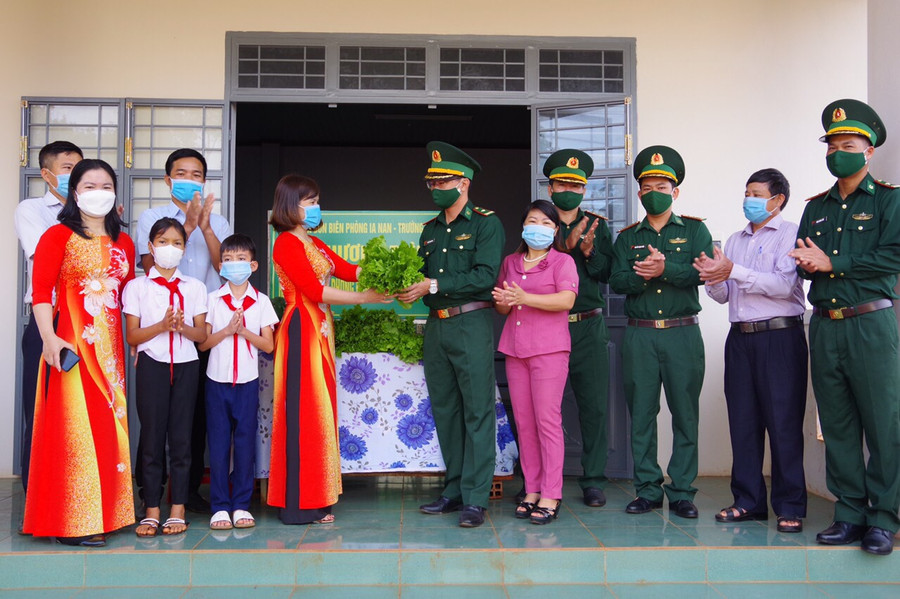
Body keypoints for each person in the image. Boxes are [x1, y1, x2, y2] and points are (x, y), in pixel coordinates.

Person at [788, 99, 900, 556]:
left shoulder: (890, 200)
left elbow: (893, 256)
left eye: (848, 144)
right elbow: (804, 258)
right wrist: (810, 263)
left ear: (868, 151)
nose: (838, 151)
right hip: (826, 325)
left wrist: (833, 262)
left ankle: (884, 517)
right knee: (836, 424)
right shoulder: (817, 207)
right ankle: (850, 512)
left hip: (871, 322)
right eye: (832, 145)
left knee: (882, 422)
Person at [22, 158, 135, 546]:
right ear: (74, 192)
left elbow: (130, 297)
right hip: (71, 343)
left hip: (112, 353)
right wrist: (49, 340)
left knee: (108, 427)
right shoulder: (56, 236)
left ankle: (108, 512)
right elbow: (40, 294)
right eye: (89, 185)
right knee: (73, 428)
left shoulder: (125, 242)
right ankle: (73, 520)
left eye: (106, 185)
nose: (99, 192)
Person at [267, 174, 390, 525]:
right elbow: (314, 291)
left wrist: (389, 275)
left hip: (320, 329)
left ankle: (317, 495)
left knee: (320, 412)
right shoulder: (287, 244)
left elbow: (351, 271)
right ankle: (298, 502)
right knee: (304, 412)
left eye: (317, 199)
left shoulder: (314, 244)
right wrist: (364, 299)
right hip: (301, 328)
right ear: (290, 205)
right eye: (309, 200)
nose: (315, 206)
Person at [694, 168, 808, 533]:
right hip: (740, 338)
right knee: (742, 422)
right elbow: (726, 293)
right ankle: (748, 501)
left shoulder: (791, 234)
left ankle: (790, 505)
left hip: (780, 337)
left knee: (783, 423)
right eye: (747, 192)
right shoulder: (734, 239)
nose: (749, 200)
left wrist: (733, 271)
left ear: (778, 200)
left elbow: (782, 286)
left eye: (757, 193)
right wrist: (712, 277)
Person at [398, 141, 505, 528]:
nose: (436, 187)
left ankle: (476, 498)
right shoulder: (429, 230)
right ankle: (454, 488)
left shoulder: (485, 223)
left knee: (477, 411)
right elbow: (423, 279)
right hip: (437, 326)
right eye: (432, 182)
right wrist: (411, 286)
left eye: (443, 180)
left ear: (464, 183)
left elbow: (484, 277)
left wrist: (432, 285)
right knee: (445, 410)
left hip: (471, 322)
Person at [609, 145, 712, 519]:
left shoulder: (696, 230)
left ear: (675, 191)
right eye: (648, 186)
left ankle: (682, 490)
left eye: (662, 185)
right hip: (640, 335)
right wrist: (643, 273)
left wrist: (664, 268)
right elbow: (617, 279)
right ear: (639, 193)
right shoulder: (626, 238)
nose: (655, 191)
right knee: (642, 414)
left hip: (682, 334)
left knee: (685, 414)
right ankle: (648, 489)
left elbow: (701, 273)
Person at [136, 148, 232, 514]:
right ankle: (151, 494)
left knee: (194, 416)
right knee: (156, 417)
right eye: (181, 173)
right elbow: (148, 265)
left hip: (200, 328)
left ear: (204, 182)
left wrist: (204, 227)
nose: (189, 179)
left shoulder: (218, 222)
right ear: (167, 179)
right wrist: (186, 228)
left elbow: (225, 268)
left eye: (196, 174)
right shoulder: (151, 217)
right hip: (158, 331)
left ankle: (186, 491)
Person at [493, 200, 577, 524]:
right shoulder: (511, 262)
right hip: (516, 350)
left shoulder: (562, 262)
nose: (537, 227)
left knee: (547, 422)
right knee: (525, 424)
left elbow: (566, 300)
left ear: (555, 230)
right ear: (523, 226)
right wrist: (503, 301)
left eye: (545, 222)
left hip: (549, 351)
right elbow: (504, 306)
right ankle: (532, 489)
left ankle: (551, 493)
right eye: (532, 220)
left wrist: (525, 298)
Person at [124, 217, 208, 536]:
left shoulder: (195, 287)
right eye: (162, 242)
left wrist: (181, 327)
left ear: (184, 249)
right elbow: (132, 337)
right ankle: (151, 508)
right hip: (152, 364)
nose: (169, 248)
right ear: (150, 247)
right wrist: (160, 326)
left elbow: (201, 335)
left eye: (176, 243)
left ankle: (178, 508)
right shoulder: (137, 287)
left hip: (186, 364)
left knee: (182, 438)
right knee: (152, 438)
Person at [542, 149, 615, 507]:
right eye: (561, 183)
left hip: (588, 326)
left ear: (584, 190)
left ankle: (593, 480)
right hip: (548, 325)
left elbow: (608, 274)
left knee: (594, 405)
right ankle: (541, 479)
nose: (567, 189)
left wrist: (589, 253)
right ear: (551, 187)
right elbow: (530, 264)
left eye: (575, 184)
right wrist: (564, 248)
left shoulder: (598, 225)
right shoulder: (539, 223)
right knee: (544, 407)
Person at [14, 141, 83, 495]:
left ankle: (72, 492)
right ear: (47, 173)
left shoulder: (92, 214)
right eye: (69, 168)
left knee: (76, 414)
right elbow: (47, 255)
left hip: (85, 324)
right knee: (41, 410)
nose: (76, 176)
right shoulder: (31, 209)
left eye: (79, 169)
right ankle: (36, 495)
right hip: (47, 323)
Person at [200, 234, 278, 530]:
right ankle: (219, 506)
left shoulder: (261, 302)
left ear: (254, 264)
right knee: (218, 443)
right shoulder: (213, 300)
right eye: (229, 260)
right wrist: (226, 331)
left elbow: (269, 345)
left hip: (247, 382)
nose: (235, 265)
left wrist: (243, 331)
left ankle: (241, 505)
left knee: (245, 443)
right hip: (216, 382)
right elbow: (204, 344)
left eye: (241, 259)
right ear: (220, 266)